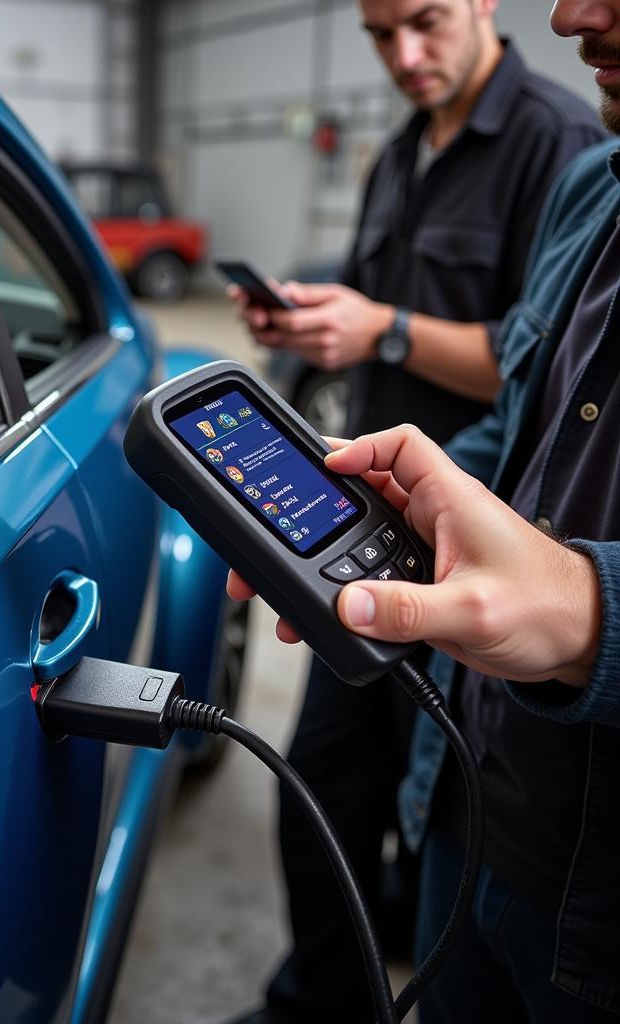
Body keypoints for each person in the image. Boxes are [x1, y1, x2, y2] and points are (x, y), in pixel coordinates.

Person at [230, 0, 620, 1017]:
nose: (404, 55)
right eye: (376, 32)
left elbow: (486, 365)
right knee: (324, 782)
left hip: (580, 871)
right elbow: (532, 416)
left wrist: (386, 333)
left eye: (425, 20)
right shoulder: (573, 184)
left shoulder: (558, 137)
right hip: (434, 625)